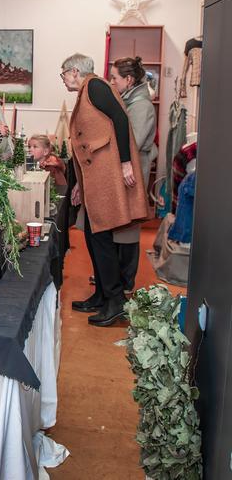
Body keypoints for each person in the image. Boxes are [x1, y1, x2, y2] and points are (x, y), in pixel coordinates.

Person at [62, 53, 148, 326]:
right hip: (95, 174)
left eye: (63, 73)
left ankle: (114, 301)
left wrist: (125, 163)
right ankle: (101, 295)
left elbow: (121, 120)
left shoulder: (96, 86)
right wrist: (78, 184)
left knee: (101, 237)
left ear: (75, 71)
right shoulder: (90, 89)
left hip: (107, 172)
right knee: (92, 233)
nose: (63, 79)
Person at [109, 56, 158, 292]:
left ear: (128, 79)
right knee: (120, 225)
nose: (112, 81)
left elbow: (133, 143)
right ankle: (115, 277)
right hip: (126, 170)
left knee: (128, 230)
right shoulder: (129, 100)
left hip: (133, 173)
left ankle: (126, 283)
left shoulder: (140, 105)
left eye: (115, 77)